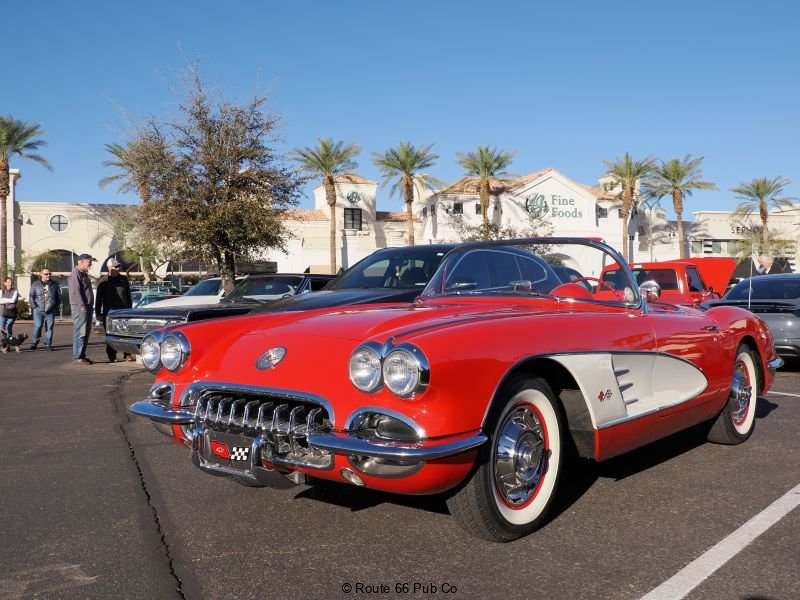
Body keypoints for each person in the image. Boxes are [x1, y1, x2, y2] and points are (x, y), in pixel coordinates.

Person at [95, 258, 134, 362]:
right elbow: (98, 299)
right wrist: (98, 313)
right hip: (109, 313)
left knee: (125, 333)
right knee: (110, 335)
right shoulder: (103, 281)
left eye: (119, 266)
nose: (118, 268)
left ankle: (127, 354)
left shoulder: (123, 279)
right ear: (109, 268)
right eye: (116, 266)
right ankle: (112, 355)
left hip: (124, 312)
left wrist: (130, 311)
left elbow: (128, 296)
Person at [69, 253, 96, 365]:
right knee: (80, 332)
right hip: (80, 307)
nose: (90, 265)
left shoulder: (83, 274)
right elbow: (75, 291)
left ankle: (81, 355)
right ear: (81, 261)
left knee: (85, 332)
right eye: (89, 262)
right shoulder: (76, 273)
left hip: (86, 307)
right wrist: (82, 305)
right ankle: (77, 357)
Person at [29, 269, 62, 350]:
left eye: (49, 274)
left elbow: (59, 296)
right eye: (46, 274)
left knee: (49, 328)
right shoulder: (35, 284)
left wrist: (55, 306)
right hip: (38, 310)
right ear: (41, 274)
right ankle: (35, 342)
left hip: (50, 310)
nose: (48, 275)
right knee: (38, 326)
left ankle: (48, 344)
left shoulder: (54, 284)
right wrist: (35, 307)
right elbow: (31, 296)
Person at [1, 277, 19, 342]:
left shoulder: (15, 291)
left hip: (12, 312)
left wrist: (4, 300)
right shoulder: (1, 291)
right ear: (5, 283)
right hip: (2, 312)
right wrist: (9, 300)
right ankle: (6, 341)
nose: (10, 283)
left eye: (11, 282)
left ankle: (8, 342)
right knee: (1, 329)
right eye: (8, 282)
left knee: (9, 328)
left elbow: (13, 300)